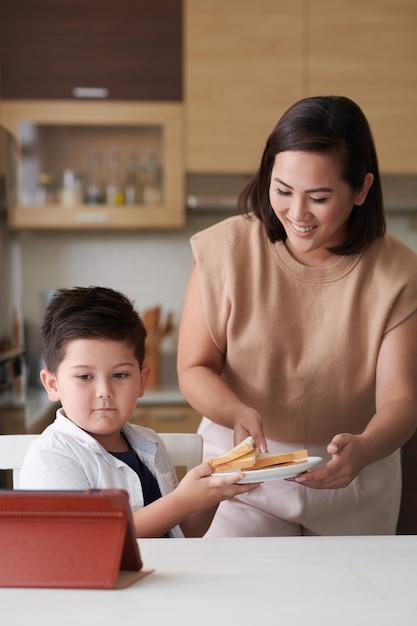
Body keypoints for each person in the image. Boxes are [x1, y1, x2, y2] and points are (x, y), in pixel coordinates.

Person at [177, 95, 417, 536]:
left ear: (362, 189)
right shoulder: (222, 252)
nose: (296, 213)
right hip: (245, 468)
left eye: (319, 197)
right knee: (242, 601)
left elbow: (400, 399)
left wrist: (363, 450)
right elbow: (194, 367)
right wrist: (235, 411)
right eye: (283, 190)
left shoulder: (399, 272)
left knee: (350, 605)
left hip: (355, 473)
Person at [20, 286, 259, 538]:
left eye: (120, 375)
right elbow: (92, 539)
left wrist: (213, 491)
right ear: (53, 385)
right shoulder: (51, 457)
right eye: (84, 376)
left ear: (142, 381)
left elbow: (184, 532)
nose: (104, 391)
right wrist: (183, 501)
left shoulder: (151, 445)